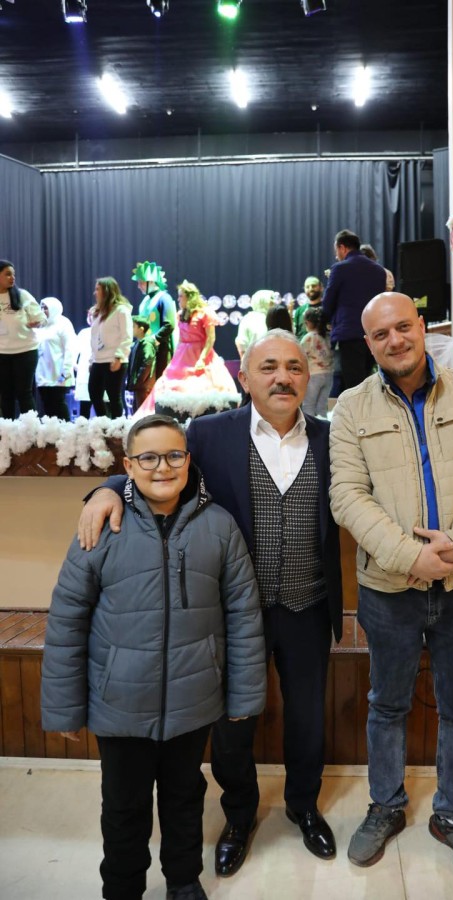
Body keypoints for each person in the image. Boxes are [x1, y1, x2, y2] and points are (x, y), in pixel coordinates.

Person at [78, 330, 343, 879]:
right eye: (268, 367)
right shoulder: (209, 433)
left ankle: (303, 805)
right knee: (231, 726)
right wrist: (107, 488)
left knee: (307, 719)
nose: (283, 377)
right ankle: (239, 815)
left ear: (308, 377)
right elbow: (160, 470)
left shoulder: (332, 438)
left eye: (294, 367)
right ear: (244, 378)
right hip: (231, 613)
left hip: (308, 606)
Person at [329, 292, 453, 881]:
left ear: (421, 326)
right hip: (388, 590)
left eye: (402, 327)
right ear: (369, 344)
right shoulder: (350, 408)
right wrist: (410, 555)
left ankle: (452, 814)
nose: (395, 340)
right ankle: (386, 806)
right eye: (380, 334)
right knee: (386, 703)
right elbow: (347, 496)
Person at [42, 413, 266, 900]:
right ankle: (122, 887)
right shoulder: (101, 526)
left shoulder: (219, 527)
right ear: (127, 465)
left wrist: (244, 696)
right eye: (147, 457)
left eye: (173, 455)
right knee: (124, 806)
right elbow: (67, 619)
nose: (161, 467)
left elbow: (243, 616)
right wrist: (64, 708)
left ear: (188, 460)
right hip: (120, 705)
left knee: (185, 798)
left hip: (193, 700)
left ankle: (183, 880)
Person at [138, 280, 239, 420]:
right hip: (182, 354)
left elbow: (210, 338)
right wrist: (175, 358)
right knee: (168, 382)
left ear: (190, 297)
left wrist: (202, 358)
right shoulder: (181, 314)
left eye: (181, 296)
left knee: (202, 385)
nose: (178, 299)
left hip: (200, 352)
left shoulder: (204, 313)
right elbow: (180, 338)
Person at [321, 230, 386, 392]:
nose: (336, 256)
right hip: (373, 334)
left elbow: (327, 303)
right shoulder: (379, 271)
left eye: (336, 251)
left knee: (354, 387)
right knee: (369, 382)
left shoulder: (340, 269)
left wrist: (326, 321)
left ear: (342, 248)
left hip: (349, 335)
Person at [0, 259, 46, 418]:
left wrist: (38, 323)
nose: (12, 278)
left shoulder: (22, 295)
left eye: (13, 275)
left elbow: (41, 318)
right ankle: (8, 430)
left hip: (25, 351)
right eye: (7, 274)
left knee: (24, 393)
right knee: (5, 394)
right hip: (2, 353)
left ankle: (32, 429)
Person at [88, 277, 133, 419]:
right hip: (99, 360)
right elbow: (95, 338)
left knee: (114, 396)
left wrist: (119, 356)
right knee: (94, 394)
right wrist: (92, 359)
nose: (95, 293)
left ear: (107, 291)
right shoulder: (98, 313)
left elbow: (127, 336)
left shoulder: (121, 311)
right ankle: (104, 423)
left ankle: (117, 426)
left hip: (114, 359)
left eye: (98, 289)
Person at [132, 261, 178, 378]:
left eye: (141, 282)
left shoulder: (164, 298)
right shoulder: (144, 302)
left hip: (161, 351)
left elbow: (169, 324)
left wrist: (154, 339)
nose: (138, 286)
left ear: (151, 281)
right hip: (146, 351)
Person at [35, 297, 76, 421]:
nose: (43, 310)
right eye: (41, 307)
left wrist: (66, 370)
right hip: (43, 374)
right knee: (47, 405)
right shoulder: (40, 325)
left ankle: (66, 430)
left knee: (58, 404)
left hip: (59, 373)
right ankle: (51, 431)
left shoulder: (63, 323)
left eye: (46, 308)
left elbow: (70, 348)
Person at [300, 306, 333, 418]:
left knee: (308, 406)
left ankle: (308, 427)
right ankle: (322, 426)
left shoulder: (308, 338)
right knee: (322, 407)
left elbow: (300, 356)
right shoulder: (328, 337)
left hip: (313, 375)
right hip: (329, 375)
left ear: (308, 323)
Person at [125, 316, 156, 413]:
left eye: (133, 326)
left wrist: (139, 380)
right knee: (136, 411)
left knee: (142, 413)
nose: (131, 329)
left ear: (141, 329)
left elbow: (147, 361)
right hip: (139, 386)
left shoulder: (147, 344)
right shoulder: (137, 343)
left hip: (143, 386)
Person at [234, 289, 277, 359]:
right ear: (263, 302)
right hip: (256, 359)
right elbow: (241, 343)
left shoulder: (274, 317)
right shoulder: (249, 318)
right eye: (271, 302)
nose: (274, 304)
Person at [74, 309, 94, 418]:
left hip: (100, 368)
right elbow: (75, 350)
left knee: (103, 403)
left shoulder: (105, 332)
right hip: (84, 369)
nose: (91, 318)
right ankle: (83, 426)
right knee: (85, 404)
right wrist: (74, 363)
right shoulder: (83, 332)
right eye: (89, 315)